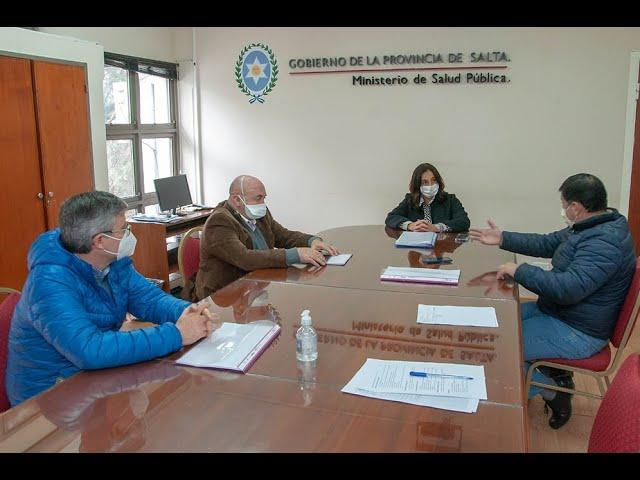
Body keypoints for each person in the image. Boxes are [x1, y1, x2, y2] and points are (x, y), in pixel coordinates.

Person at [6, 191, 219, 407]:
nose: (130, 234)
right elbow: (90, 350)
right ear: (100, 241)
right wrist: (178, 334)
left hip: (93, 378)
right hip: (48, 402)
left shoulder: (113, 261)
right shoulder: (49, 283)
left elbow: (148, 298)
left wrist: (187, 312)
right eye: (124, 229)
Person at [470, 173, 636, 429]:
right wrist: (502, 238)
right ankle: (538, 378)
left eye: (564, 205)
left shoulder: (605, 243)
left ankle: (552, 392)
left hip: (579, 331)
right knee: (495, 323)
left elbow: (568, 289)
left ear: (576, 207)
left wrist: (520, 271)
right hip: (562, 313)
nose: (563, 210)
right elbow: (548, 243)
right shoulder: (593, 225)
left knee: (500, 347)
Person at [191, 175, 339, 300]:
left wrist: (312, 241)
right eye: (258, 198)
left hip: (257, 283)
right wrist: (296, 254)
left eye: (264, 198)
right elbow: (245, 259)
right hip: (224, 295)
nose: (263, 204)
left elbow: (283, 235)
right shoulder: (220, 222)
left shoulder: (258, 213)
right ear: (237, 200)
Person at [385, 163, 470, 233]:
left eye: (433, 180)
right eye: (425, 182)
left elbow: (464, 221)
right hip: (416, 247)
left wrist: (437, 227)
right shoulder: (410, 200)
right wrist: (409, 225)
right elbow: (391, 217)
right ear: (417, 185)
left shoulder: (450, 200)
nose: (430, 185)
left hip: (441, 247)